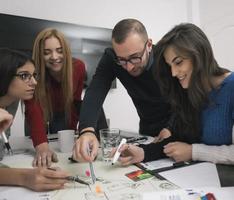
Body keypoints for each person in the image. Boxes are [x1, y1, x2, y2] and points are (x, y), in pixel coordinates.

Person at [115, 23, 234, 166]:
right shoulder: (192, 91)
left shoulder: (231, 87)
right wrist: (143, 152)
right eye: (170, 65)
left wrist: (193, 151)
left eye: (178, 62)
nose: (174, 73)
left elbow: (189, 148)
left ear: (199, 54)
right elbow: (180, 139)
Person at [72, 18, 172, 162]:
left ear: (149, 45)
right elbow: (95, 90)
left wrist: (171, 127)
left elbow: (185, 100)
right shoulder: (111, 58)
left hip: (178, 126)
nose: (129, 67)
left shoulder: (166, 59)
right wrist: (87, 130)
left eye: (135, 58)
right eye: (122, 60)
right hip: (147, 129)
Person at [0, 48, 69, 191]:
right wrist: (24, 177)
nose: (34, 82)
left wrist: (42, 146)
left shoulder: (13, 96)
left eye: (33, 75)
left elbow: (34, 110)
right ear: (4, 75)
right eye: (24, 75)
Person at [25, 28, 86, 167]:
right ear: (40, 55)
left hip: (64, 114)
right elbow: (33, 108)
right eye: (47, 52)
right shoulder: (31, 73)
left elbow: (75, 104)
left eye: (59, 50)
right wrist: (42, 146)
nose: (54, 56)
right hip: (38, 115)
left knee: (63, 153)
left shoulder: (78, 67)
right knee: (40, 151)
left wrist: (70, 136)